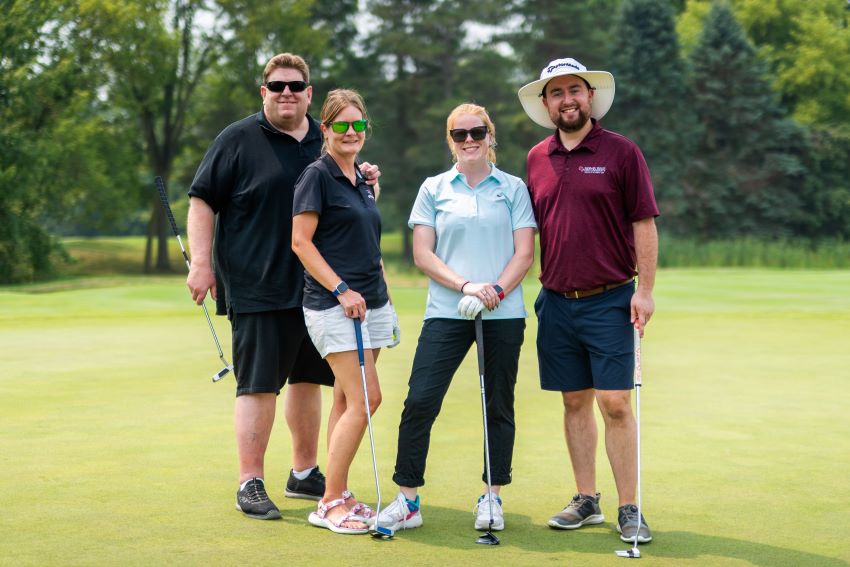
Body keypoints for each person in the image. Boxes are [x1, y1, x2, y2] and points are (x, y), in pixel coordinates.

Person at [186, 53, 381, 520]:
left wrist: (369, 178)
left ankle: (304, 472)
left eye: (296, 85)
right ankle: (250, 481)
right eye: (277, 86)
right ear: (264, 92)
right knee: (258, 385)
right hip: (258, 283)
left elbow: (349, 188)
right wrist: (200, 263)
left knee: (309, 379)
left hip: (320, 287)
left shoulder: (327, 136)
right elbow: (201, 201)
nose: (286, 93)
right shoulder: (237, 139)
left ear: (310, 93)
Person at [373, 103, 536, 533]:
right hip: (448, 310)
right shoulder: (433, 188)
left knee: (497, 404)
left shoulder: (514, 188)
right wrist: (467, 286)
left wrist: (495, 290)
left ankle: (492, 497)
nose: (469, 140)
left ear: (490, 136)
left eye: (477, 132)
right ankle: (408, 499)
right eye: (460, 134)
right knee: (420, 400)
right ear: (450, 140)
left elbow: (524, 253)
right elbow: (423, 254)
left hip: (503, 311)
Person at [518, 57, 659, 544]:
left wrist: (645, 289)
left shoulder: (621, 152)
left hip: (611, 299)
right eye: (556, 93)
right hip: (555, 301)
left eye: (574, 90)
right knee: (574, 401)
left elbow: (644, 221)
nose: (567, 100)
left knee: (615, 403)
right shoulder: (537, 158)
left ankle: (630, 507)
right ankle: (587, 499)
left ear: (590, 96)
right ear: (546, 104)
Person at [291, 88, 400, 535]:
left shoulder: (361, 179)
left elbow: (365, 245)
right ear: (326, 130)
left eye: (358, 125)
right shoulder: (315, 177)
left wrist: (384, 295)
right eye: (342, 125)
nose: (351, 132)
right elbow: (301, 243)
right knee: (366, 399)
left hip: (372, 303)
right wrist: (340, 289)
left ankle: (337, 489)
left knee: (344, 399)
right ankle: (329, 501)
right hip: (335, 306)